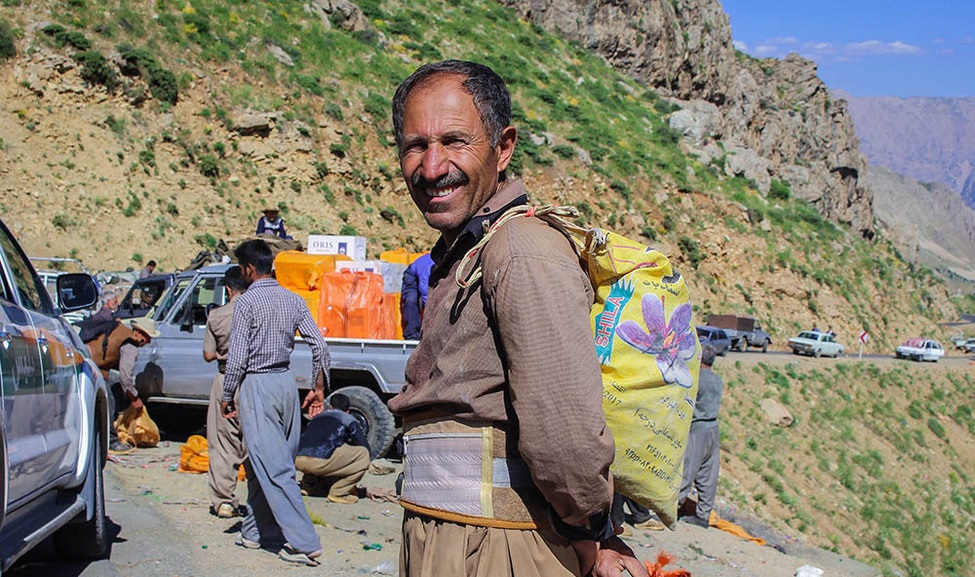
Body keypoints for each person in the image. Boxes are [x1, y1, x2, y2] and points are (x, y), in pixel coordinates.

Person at [388, 60, 647, 577]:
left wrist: (592, 532)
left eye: (455, 141)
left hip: (501, 549)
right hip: (451, 536)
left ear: (503, 147)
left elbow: (565, 430)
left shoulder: (521, 249)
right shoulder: (468, 252)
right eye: (416, 146)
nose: (432, 166)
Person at [221, 239, 329, 566]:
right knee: (261, 461)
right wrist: (318, 387)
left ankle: (303, 542)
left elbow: (237, 357)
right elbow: (320, 347)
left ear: (248, 269)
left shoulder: (246, 303)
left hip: (257, 385)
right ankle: (254, 532)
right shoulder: (293, 299)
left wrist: (227, 394)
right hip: (286, 384)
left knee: (276, 467)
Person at [203, 266, 248, 519]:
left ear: (228, 289)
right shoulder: (258, 312)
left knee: (223, 442)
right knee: (254, 440)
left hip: (225, 378)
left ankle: (224, 501)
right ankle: (259, 502)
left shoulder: (217, 316)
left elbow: (208, 355)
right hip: (254, 380)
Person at [88, 316, 160, 454]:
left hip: (91, 365)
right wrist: (134, 397)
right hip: (93, 367)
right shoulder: (130, 343)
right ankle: (111, 441)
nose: (149, 341)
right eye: (147, 336)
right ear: (138, 332)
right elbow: (125, 376)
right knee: (108, 401)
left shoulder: (120, 332)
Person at [677, 343, 724, 529]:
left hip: (697, 430)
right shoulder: (717, 380)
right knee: (708, 474)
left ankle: (674, 507)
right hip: (713, 429)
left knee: (687, 470)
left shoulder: (696, 379)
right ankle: (703, 515)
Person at [294, 392, 371, 504]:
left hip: (298, 460)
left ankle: (307, 486)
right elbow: (363, 444)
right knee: (363, 454)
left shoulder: (317, 417)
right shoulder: (347, 418)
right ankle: (338, 492)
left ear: (330, 407)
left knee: (317, 445)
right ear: (348, 410)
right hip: (319, 462)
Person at [400, 252, 434, 339]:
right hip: (412, 275)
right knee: (411, 300)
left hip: (429, 276)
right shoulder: (427, 268)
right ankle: (412, 334)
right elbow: (425, 291)